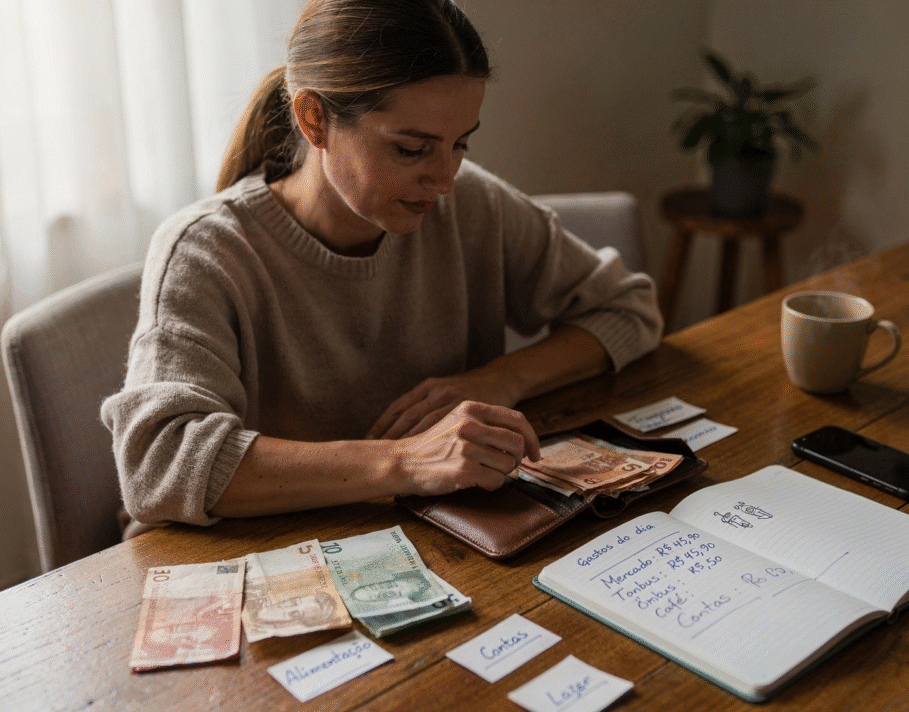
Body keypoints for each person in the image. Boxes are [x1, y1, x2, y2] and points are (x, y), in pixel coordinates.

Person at [101, 0, 661, 533]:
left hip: (433, 533)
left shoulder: (472, 205)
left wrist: (501, 379)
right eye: (411, 150)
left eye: (461, 145)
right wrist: (407, 461)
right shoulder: (205, 251)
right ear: (314, 119)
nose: (444, 181)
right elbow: (158, 466)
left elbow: (628, 309)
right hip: (254, 550)